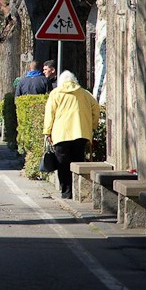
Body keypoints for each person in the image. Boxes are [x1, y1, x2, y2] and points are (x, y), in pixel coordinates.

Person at [43, 70, 100, 199]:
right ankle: (77, 191)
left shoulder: (55, 93)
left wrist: (47, 132)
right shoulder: (85, 93)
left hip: (61, 134)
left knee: (62, 163)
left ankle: (66, 192)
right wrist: (92, 125)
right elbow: (96, 108)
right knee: (77, 161)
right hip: (81, 133)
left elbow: (49, 114)